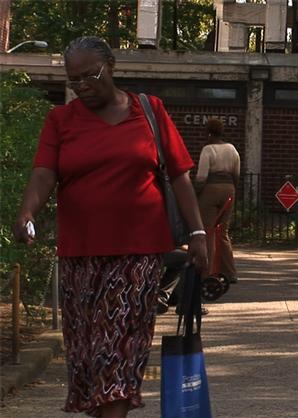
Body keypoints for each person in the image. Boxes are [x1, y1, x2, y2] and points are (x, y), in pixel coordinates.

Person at [12, 36, 208, 418]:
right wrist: (27, 213)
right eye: (74, 80)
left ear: (112, 66)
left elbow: (181, 176)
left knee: (118, 348)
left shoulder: (149, 111)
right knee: (87, 354)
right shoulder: (61, 120)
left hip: (138, 253)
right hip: (79, 254)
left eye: (90, 75)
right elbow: (43, 173)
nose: (82, 85)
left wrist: (198, 233)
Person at [195, 118, 240, 284]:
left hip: (210, 190)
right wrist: (232, 190)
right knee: (223, 232)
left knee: (207, 231)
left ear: (208, 133)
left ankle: (206, 272)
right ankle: (230, 273)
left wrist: (196, 193)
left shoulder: (208, 150)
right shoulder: (232, 149)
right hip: (229, 189)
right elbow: (236, 174)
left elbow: (201, 177)